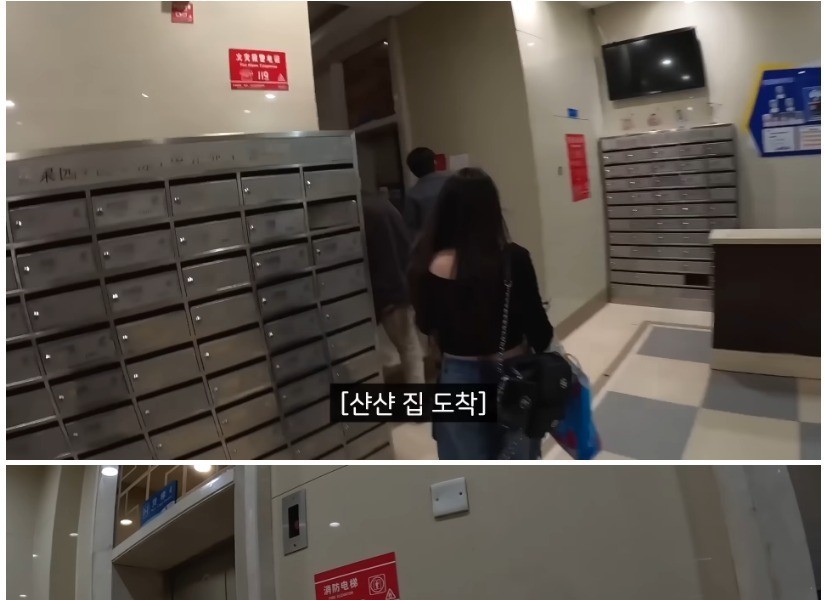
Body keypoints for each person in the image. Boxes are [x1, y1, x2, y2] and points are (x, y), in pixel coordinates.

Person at [408, 168, 553, 460]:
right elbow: (539, 330)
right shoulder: (514, 259)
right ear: (492, 210)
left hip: (457, 378)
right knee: (517, 469)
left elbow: (426, 325)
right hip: (515, 377)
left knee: (470, 472)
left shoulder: (426, 264)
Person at [361, 191, 426, 384]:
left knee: (368, 352)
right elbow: (407, 247)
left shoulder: (358, 212)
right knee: (409, 347)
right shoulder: (386, 207)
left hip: (376, 291)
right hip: (399, 287)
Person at [404, 147, 452, 236]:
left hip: (432, 241)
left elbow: (411, 230)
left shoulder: (412, 194)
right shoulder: (454, 182)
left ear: (412, 170)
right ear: (435, 162)